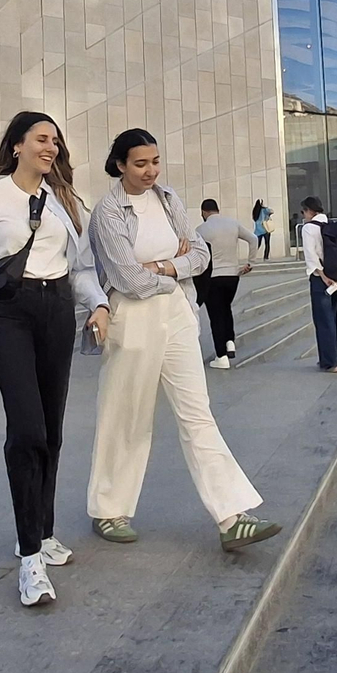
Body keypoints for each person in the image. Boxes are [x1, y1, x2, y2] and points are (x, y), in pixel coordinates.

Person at [0, 111, 111, 607]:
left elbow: (78, 267)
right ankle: (30, 558)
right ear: (16, 145)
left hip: (57, 311)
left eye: (55, 141)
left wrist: (97, 302)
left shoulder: (61, 200)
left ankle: (43, 530)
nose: (51, 148)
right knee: (27, 432)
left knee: (52, 431)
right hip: (10, 317)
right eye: (42, 139)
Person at [86, 130, 281, 554]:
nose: (150, 171)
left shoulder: (168, 198)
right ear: (119, 164)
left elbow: (202, 256)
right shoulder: (107, 211)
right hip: (132, 318)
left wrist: (161, 266)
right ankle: (108, 508)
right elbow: (127, 279)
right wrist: (174, 266)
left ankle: (231, 516)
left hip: (176, 312)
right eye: (140, 164)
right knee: (127, 416)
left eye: (155, 161)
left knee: (198, 413)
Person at [196, 198, 255, 369]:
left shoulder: (200, 230)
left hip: (213, 277)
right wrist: (251, 262)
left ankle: (221, 356)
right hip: (232, 275)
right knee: (226, 308)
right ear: (217, 209)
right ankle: (230, 341)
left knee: (216, 316)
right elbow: (253, 239)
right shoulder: (233, 223)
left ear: (203, 212)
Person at [299, 196, 337, 373]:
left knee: (322, 320)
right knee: (332, 319)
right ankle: (329, 358)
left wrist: (322, 275)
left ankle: (331, 361)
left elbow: (311, 255)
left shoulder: (309, 228)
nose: (303, 215)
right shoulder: (331, 224)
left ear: (309, 210)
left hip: (321, 278)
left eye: (303, 211)